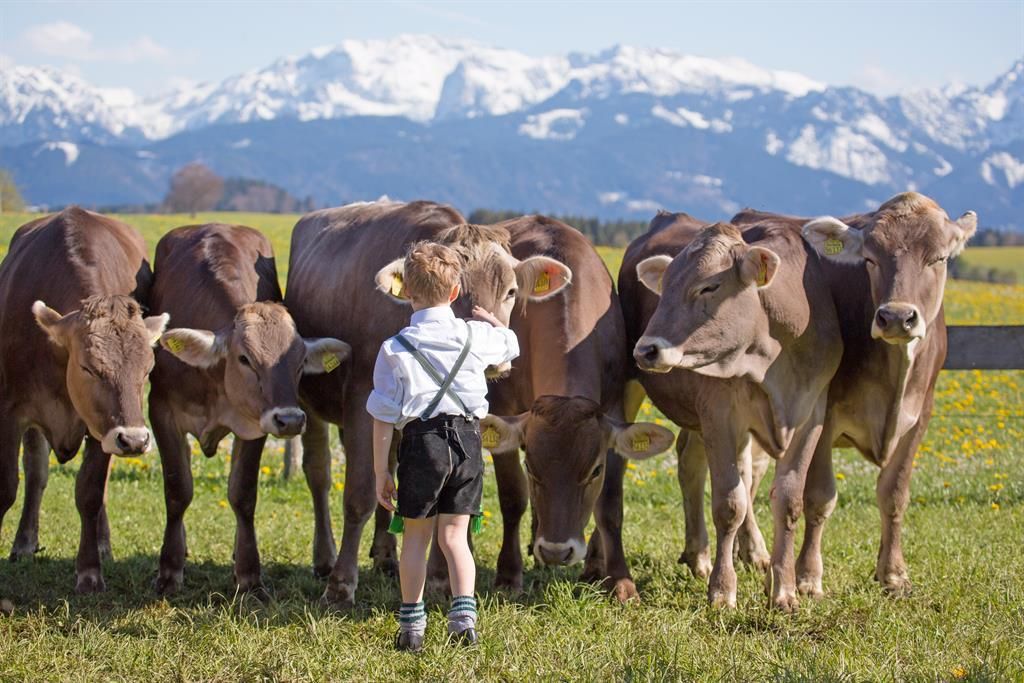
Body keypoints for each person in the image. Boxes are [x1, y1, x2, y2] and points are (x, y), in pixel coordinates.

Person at [367, 241, 520, 652]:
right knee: (455, 538)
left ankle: (412, 627)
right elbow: (511, 347)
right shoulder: (474, 336)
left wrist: (382, 470)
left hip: (422, 445)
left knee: (415, 539)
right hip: (469, 443)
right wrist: (493, 322)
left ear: (406, 293)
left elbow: (382, 415)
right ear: (455, 294)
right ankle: (463, 618)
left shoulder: (394, 348)